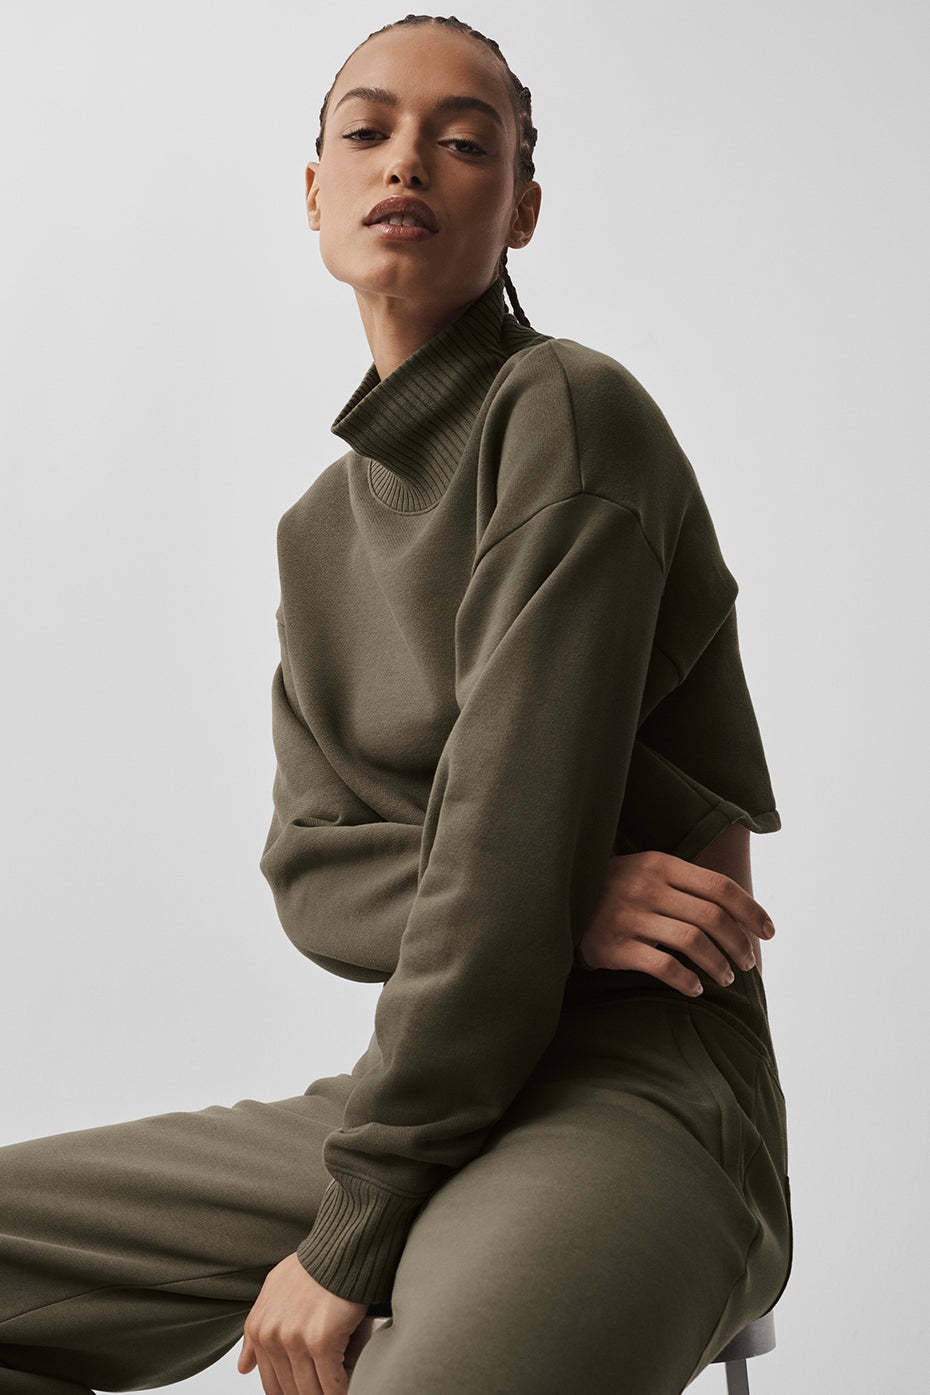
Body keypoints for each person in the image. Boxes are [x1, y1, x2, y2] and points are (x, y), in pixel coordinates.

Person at [0, 15, 792, 1395]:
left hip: (640, 1091)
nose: (407, 161)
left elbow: (502, 844)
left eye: (465, 142)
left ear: (522, 207)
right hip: (426, 1092)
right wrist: (557, 893)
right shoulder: (320, 532)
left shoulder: (568, 414)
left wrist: (351, 1232)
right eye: (366, 133)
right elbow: (311, 872)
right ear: (314, 190)